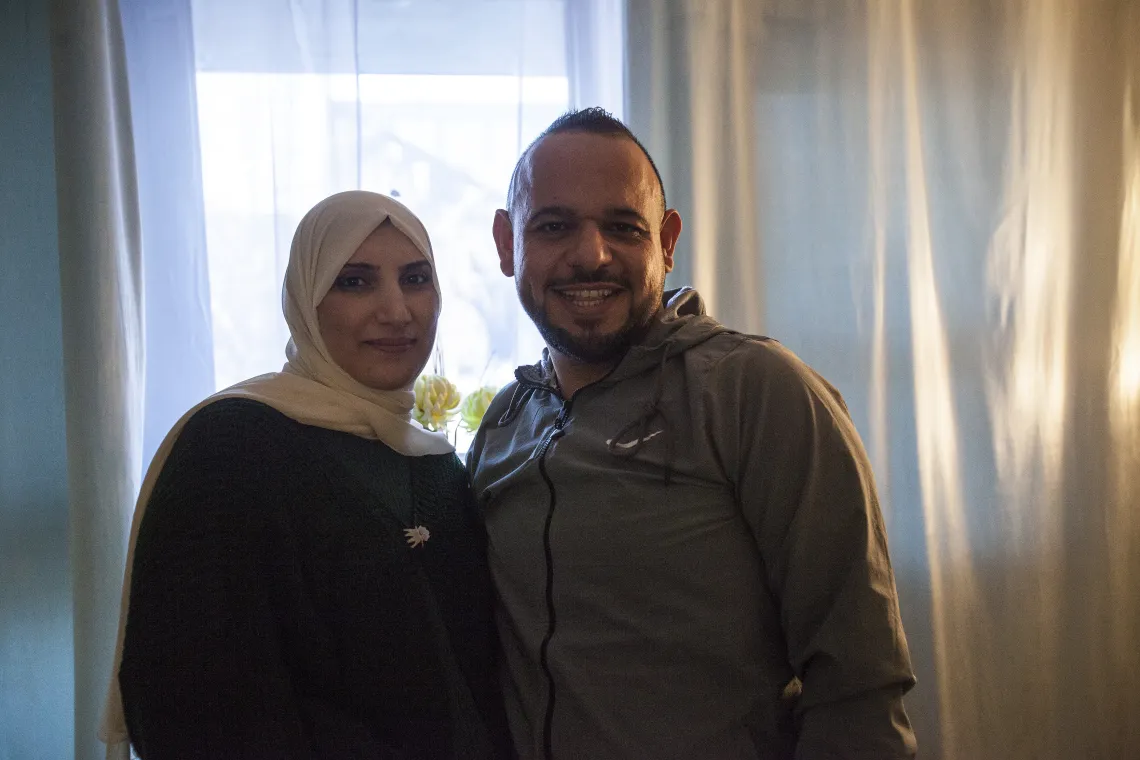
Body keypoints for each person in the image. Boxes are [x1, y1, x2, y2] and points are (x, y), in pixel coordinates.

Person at [467, 108, 917, 760]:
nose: (591, 254)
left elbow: (860, 687)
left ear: (667, 239)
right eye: (555, 225)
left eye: (622, 227)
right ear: (508, 245)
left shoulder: (757, 392)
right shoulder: (505, 421)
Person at [101, 191, 511, 759]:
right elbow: (185, 700)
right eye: (356, 282)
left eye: (416, 279)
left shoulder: (437, 468)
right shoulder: (232, 445)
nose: (397, 310)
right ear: (305, 298)